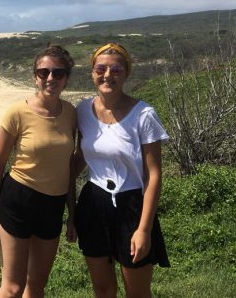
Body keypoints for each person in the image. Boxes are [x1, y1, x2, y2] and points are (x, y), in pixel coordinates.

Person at [67, 43, 170, 298]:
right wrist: (71, 212)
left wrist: (144, 228)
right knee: (102, 289)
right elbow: (79, 159)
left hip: (132, 205)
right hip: (93, 203)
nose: (107, 75)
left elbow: (153, 174)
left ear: (126, 73)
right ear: (92, 72)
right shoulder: (83, 111)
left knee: (136, 291)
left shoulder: (144, 115)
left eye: (116, 69)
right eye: (100, 68)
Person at [0, 45, 77, 298]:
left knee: (36, 287)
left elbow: (68, 166)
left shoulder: (70, 113)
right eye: (43, 72)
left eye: (58, 73)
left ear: (66, 77)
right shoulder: (17, 112)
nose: (50, 78)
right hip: (18, 200)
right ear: (35, 76)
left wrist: (72, 214)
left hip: (53, 205)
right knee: (13, 288)